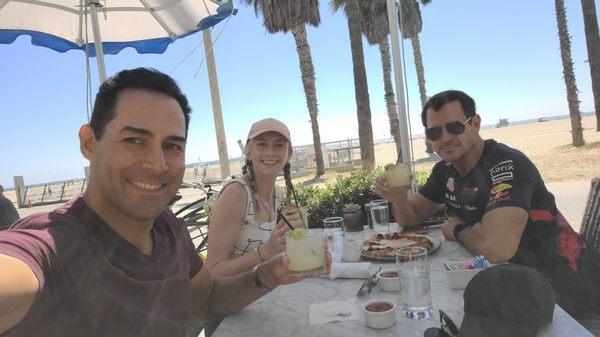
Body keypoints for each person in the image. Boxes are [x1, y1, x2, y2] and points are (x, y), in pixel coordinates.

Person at [0, 68, 313, 337]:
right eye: (134, 140)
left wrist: (268, 275)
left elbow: (208, 299)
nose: (157, 164)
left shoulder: (168, 229)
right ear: (89, 142)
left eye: (172, 145)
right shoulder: (51, 246)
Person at [375, 90, 600, 334]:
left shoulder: (506, 164)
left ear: (475, 124)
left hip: (564, 294)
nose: (445, 137)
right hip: (505, 285)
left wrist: (458, 229)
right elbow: (410, 217)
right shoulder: (445, 171)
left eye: (454, 127)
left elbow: (497, 247)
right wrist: (397, 197)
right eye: (435, 131)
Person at [206, 118, 301, 277]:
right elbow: (212, 272)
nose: (270, 152)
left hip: (258, 291)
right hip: (229, 298)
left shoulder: (277, 193)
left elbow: (268, 256)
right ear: (249, 152)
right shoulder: (236, 194)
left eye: (279, 145)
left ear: (288, 154)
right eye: (262, 144)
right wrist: (266, 251)